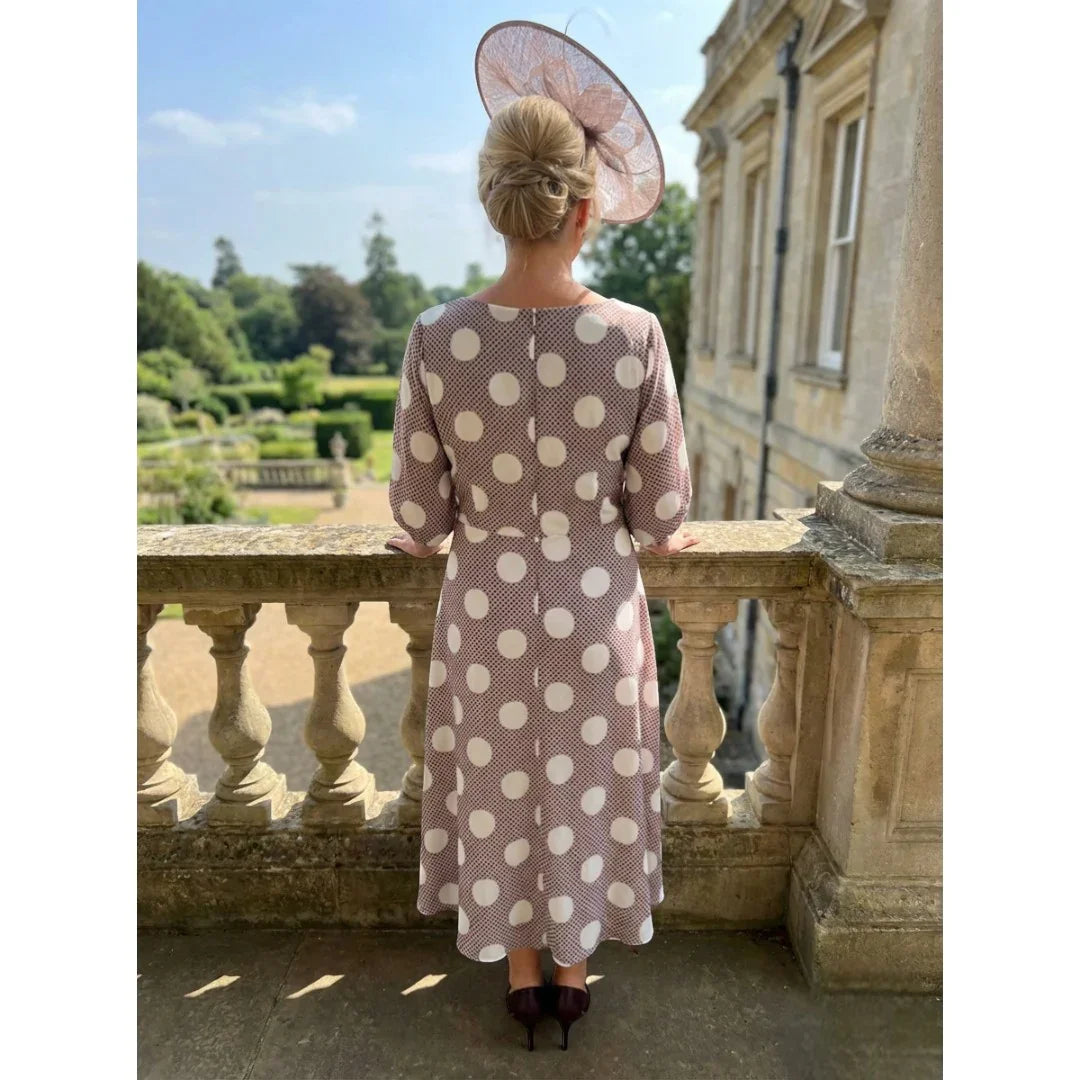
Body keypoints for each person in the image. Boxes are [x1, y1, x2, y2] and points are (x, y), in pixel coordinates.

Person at [386, 20, 698, 1052]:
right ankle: (573, 970)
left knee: (505, 781)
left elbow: (421, 518)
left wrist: (438, 530)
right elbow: (660, 515)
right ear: (581, 203)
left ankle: (520, 976)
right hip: (594, 608)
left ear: (497, 200)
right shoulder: (635, 335)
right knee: (581, 781)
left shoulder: (436, 336)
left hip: (485, 610)